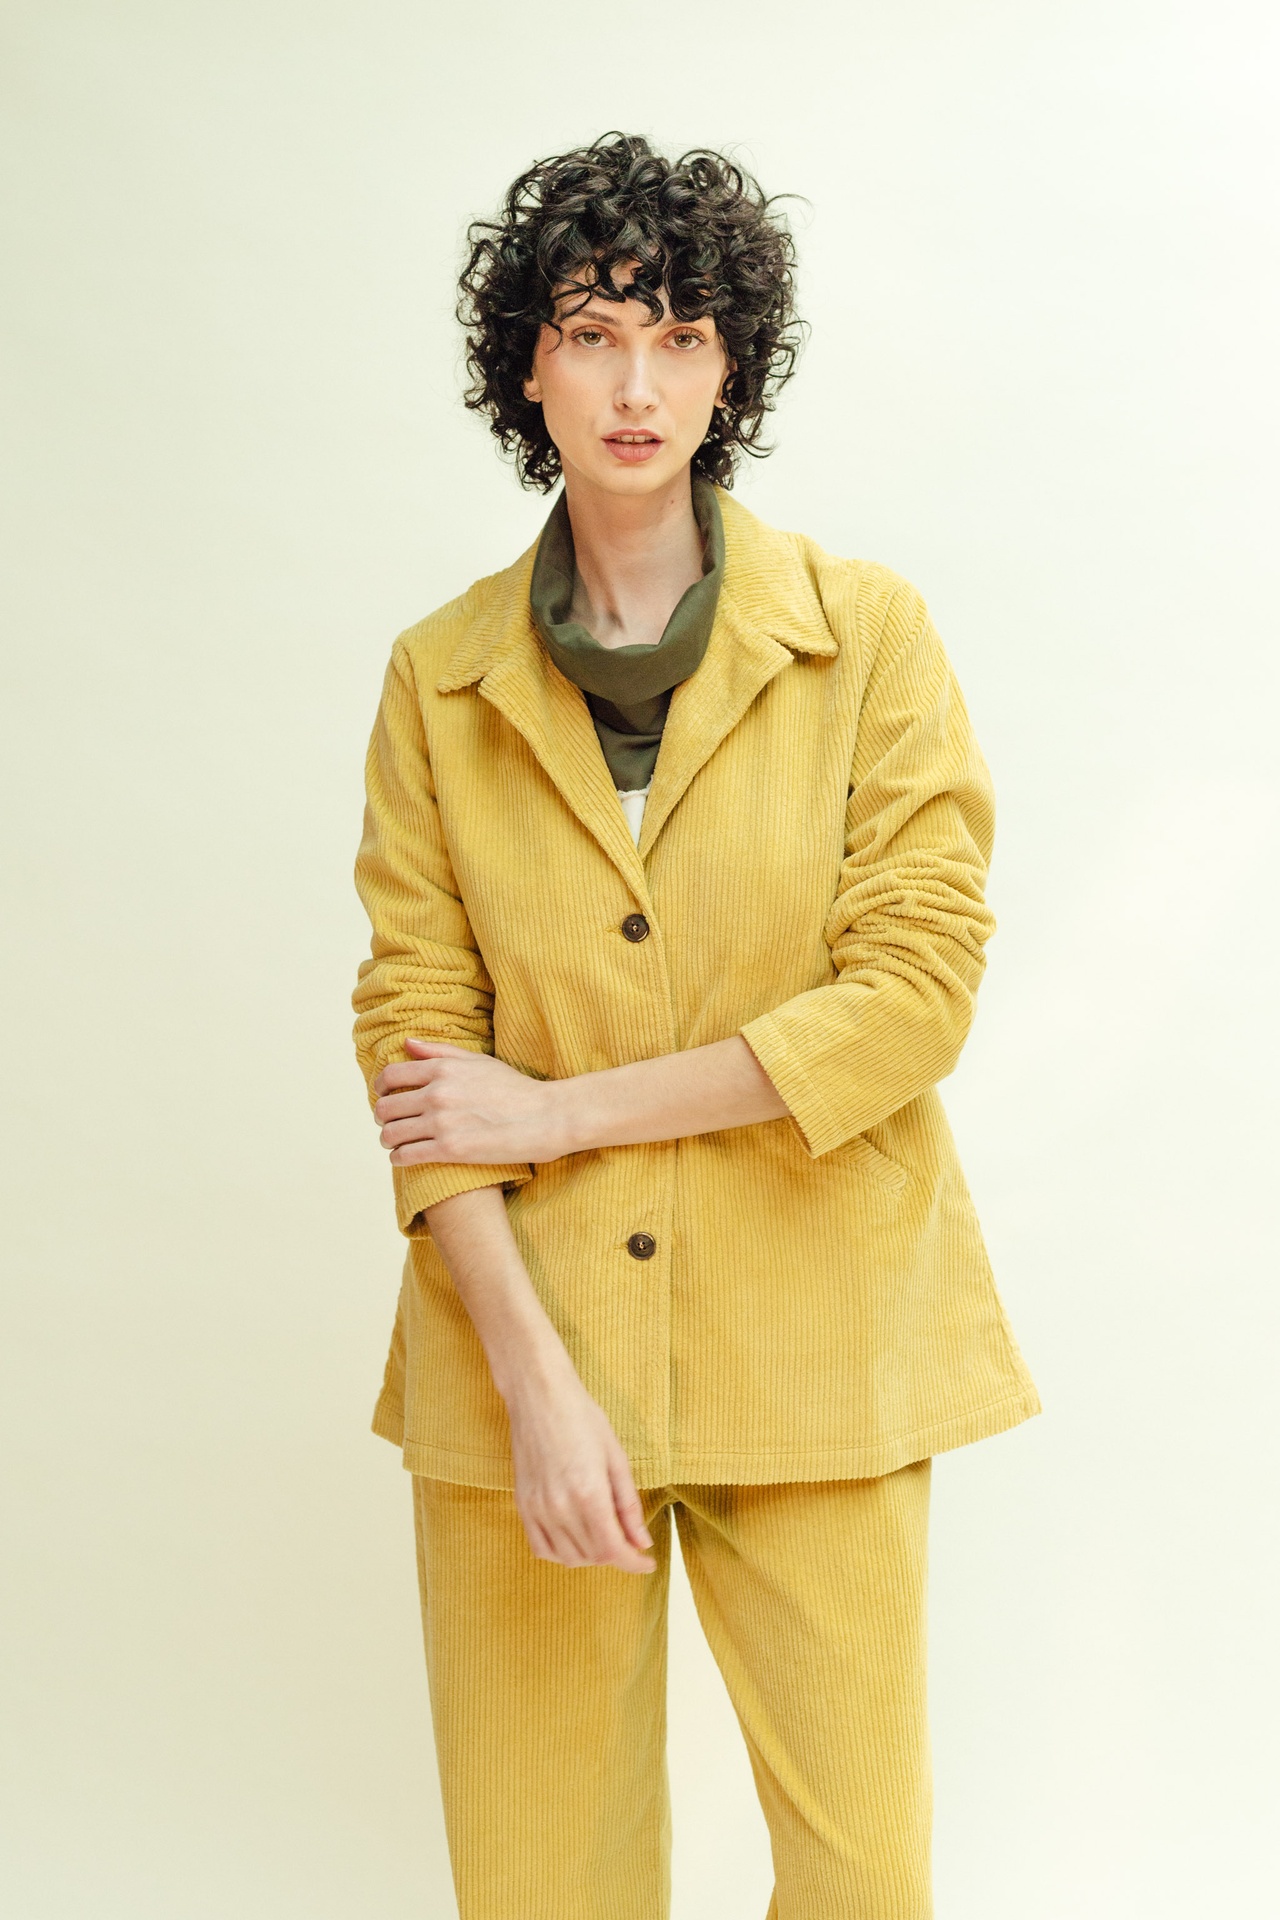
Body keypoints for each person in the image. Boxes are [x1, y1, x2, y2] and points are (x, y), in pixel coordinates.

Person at [351, 130, 1040, 1920]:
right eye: (592, 335)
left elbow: (911, 1001)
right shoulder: (439, 678)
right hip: (525, 1351)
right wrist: (532, 1386)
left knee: (864, 1883)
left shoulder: (868, 638)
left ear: (735, 368)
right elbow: (418, 1053)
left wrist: (555, 1112)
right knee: (541, 1887)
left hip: (819, 1344)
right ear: (528, 368)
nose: (636, 385)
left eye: (679, 337)